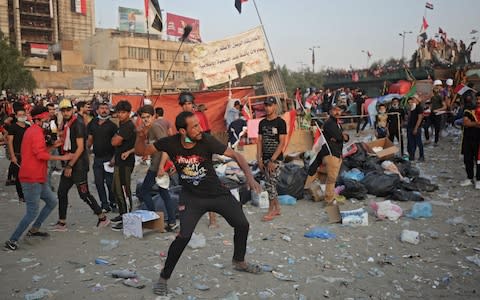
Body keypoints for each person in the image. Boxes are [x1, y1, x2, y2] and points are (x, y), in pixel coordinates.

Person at [134, 111, 262, 296]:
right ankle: (164, 277)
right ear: (182, 131)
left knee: (242, 224)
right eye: (194, 126)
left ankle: (239, 261)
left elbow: (236, 155)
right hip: (192, 198)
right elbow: (141, 151)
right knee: (183, 237)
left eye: (198, 124)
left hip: (217, 194)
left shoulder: (207, 140)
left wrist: (250, 178)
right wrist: (140, 136)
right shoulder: (170, 143)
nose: (199, 129)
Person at [4, 106, 73, 251]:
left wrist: (55, 145)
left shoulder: (35, 131)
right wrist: (62, 157)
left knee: (52, 202)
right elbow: (41, 155)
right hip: (31, 177)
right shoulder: (35, 132)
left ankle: (34, 229)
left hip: (38, 177)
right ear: (39, 119)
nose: (48, 119)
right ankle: (12, 240)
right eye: (46, 117)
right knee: (32, 211)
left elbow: (40, 152)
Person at [53, 99, 110, 231]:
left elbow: (80, 148)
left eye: (68, 110)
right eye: (63, 110)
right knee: (62, 192)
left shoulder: (77, 124)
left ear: (72, 109)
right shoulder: (68, 123)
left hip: (78, 165)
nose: (66, 112)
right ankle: (62, 222)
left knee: (84, 193)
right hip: (72, 162)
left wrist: (70, 166)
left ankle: (102, 218)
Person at [178, 92, 217, 228]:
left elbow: (207, 136)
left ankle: (213, 219)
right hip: (187, 158)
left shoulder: (199, 116)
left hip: (202, 156)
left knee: (208, 186)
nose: (186, 107)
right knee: (188, 187)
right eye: (184, 104)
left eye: (188, 103)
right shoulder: (180, 119)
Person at [137, 105, 177, 231]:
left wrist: (161, 167)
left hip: (158, 166)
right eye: (143, 118)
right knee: (164, 193)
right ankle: (170, 221)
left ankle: (154, 218)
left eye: (148, 117)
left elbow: (167, 146)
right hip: (156, 164)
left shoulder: (155, 127)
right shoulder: (149, 129)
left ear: (153, 116)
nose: (145, 120)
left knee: (144, 191)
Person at [257, 97, 286, 222]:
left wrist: (272, 160)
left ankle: (271, 210)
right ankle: (277, 208)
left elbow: (282, 143)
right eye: (266, 105)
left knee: (270, 184)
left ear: (275, 106)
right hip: (265, 158)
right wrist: (259, 158)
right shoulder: (262, 123)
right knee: (270, 182)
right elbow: (259, 141)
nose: (267, 108)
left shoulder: (280, 122)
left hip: (276, 159)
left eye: (270, 105)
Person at [110, 100, 136, 231]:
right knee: (116, 189)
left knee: (124, 191)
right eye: (119, 112)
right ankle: (122, 214)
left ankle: (128, 218)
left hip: (126, 164)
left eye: (123, 112)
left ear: (129, 113)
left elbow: (114, 142)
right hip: (119, 161)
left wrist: (115, 138)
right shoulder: (122, 124)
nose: (120, 115)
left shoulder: (128, 126)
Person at [87, 101, 118, 212]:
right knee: (99, 183)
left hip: (109, 158)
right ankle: (104, 205)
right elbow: (89, 140)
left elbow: (117, 144)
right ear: (97, 110)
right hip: (97, 159)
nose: (104, 110)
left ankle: (112, 202)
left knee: (110, 183)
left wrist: (114, 157)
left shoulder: (113, 126)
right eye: (102, 108)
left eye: (106, 108)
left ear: (109, 111)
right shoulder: (92, 123)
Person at [322, 105, 349, 221]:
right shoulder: (330, 123)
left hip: (337, 153)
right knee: (331, 178)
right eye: (335, 110)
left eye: (339, 110)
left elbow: (345, 137)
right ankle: (328, 200)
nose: (337, 112)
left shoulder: (337, 123)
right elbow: (339, 136)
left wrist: (342, 137)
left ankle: (331, 197)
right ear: (330, 111)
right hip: (331, 153)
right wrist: (341, 137)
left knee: (333, 177)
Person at [7, 104, 29, 202]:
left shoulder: (28, 127)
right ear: (16, 116)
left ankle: (28, 194)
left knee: (27, 176)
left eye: (23, 114)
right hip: (17, 155)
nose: (22, 116)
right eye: (20, 115)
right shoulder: (13, 127)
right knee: (19, 177)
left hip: (27, 155)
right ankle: (21, 196)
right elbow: (10, 142)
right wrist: (12, 156)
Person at [460, 92, 480, 188]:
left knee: (479, 160)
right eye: (477, 99)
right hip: (468, 138)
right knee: (467, 159)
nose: (478, 101)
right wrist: (476, 124)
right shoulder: (469, 109)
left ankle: (479, 180)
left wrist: (473, 123)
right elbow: (466, 123)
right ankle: (469, 178)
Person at [406, 96, 425, 162]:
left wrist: (416, 128)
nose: (411, 102)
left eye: (413, 100)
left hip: (416, 127)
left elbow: (420, 118)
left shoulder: (419, 108)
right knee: (411, 143)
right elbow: (409, 119)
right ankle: (412, 156)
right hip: (410, 127)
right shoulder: (411, 108)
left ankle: (421, 156)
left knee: (419, 143)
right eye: (409, 102)